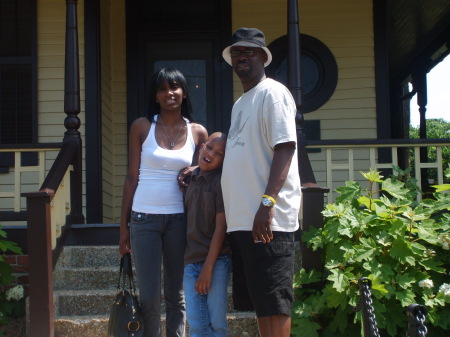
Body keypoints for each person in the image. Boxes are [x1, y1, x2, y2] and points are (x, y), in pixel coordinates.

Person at [220, 27, 301, 337]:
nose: (242, 56)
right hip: (243, 221)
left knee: (276, 301)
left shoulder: (274, 93)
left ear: (263, 57)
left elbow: (285, 147)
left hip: (268, 220)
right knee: (261, 302)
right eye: (237, 51)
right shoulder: (240, 104)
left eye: (249, 51)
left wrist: (267, 204)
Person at [119, 68, 208, 337]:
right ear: (155, 96)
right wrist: (123, 227)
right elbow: (131, 177)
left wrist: (195, 171)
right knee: (148, 296)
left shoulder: (198, 132)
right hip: (144, 217)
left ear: (184, 93)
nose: (169, 93)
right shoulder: (141, 126)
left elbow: (207, 175)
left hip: (180, 219)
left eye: (175, 87)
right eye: (163, 89)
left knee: (176, 294)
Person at [183, 132, 231, 337]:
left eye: (219, 154)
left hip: (216, 260)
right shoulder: (190, 179)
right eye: (209, 147)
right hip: (191, 260)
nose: (211, 154)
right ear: (202, 146)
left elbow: (221, 228)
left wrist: (208, 268)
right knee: (195, 322)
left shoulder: (221, 183)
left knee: (216, 322)